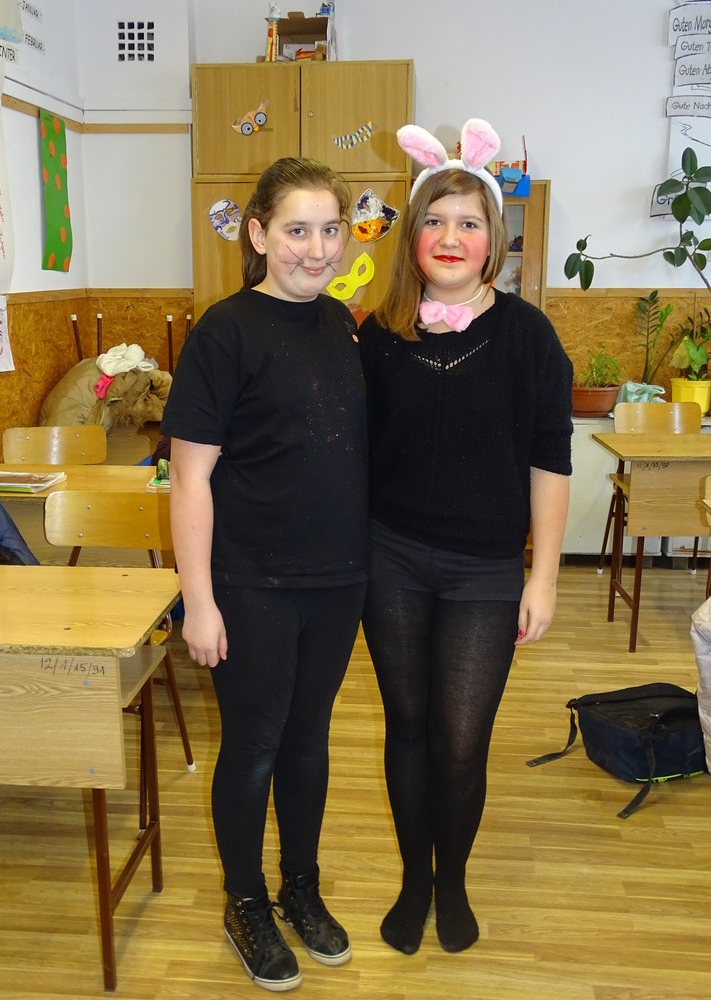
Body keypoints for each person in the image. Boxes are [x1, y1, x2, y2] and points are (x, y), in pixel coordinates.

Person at [358, 119, 572, 956]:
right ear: (413, 237)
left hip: (485, 568)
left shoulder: (529, 337)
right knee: (407, 725)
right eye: (436, 221)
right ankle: (416, 878)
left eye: (470, 222)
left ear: (494, 241)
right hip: (391, 557)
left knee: (460, 739)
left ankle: (453, 879)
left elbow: (550, 462)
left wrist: (543, 577)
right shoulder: (378, 335)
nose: (451, 236)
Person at [160, 157, 368, 992]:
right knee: (253, 745)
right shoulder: (225, 331)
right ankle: (245, 902)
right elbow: (189, 479)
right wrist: (200, 602)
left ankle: (300, 890)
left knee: (308, 741)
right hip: (250, 583)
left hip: (337, 580)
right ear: (257, 233)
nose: (316, 249)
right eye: (296, 230)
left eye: (329, 230)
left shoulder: (342, 324)